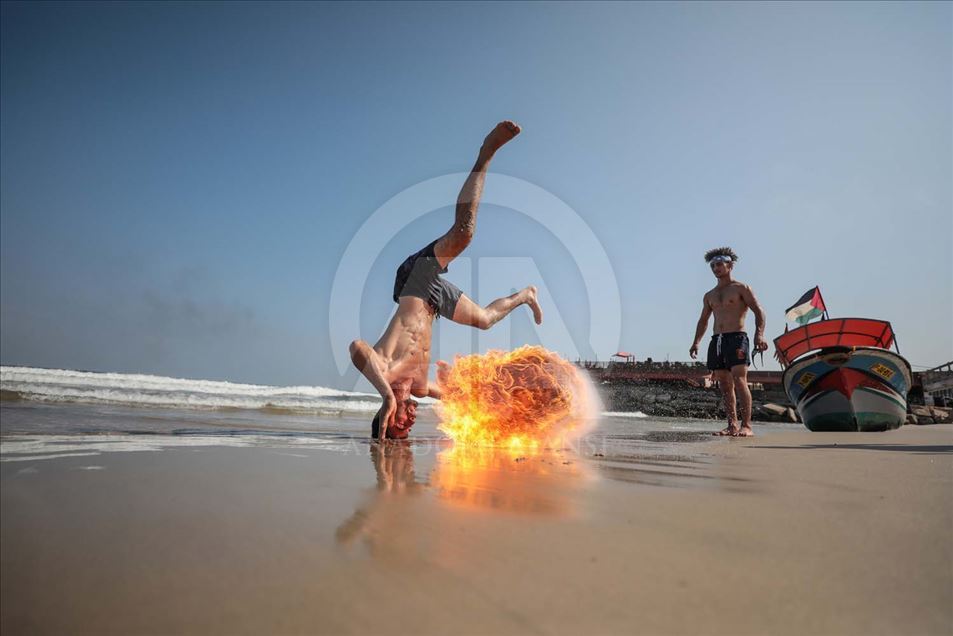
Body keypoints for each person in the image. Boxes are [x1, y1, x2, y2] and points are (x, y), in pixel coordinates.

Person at [349, 121, 543, 439]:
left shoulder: (384, 370)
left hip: (412, 284)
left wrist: (386, 395)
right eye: (408, 432)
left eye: (401, 427)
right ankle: (526, 295)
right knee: (484, 320)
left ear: (387, 417)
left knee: (462, 235)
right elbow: (460, 398)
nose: (410, 425)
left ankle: (486, 153)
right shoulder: (422, 388)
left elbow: (356, 348)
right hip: (434, 301)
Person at [689, 247, 767, 436]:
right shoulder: (709, 295)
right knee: (724, 384)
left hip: (737, 338)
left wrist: (759, 335)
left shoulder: (741, 288)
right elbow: (703, 321)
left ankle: (746, 426)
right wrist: (696, 342)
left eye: (719, 264)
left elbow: (759, 311)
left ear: (730, 265)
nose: (716, 268)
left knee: (740, 380)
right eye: (713, 265)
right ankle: (732, 425)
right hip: (717, 340)